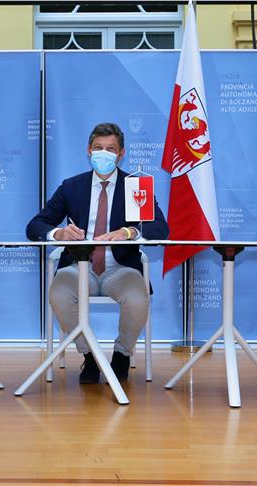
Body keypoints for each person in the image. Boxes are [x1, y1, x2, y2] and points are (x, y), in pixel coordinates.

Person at [27, 122, 169, 384]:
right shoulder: (72, 187)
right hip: (80, 267)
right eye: (98, 148)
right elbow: (35, 225)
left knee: (138, 300)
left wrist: (128, 233)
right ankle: (90, 357)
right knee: (59, 295)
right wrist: (58, 234)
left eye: (111, 149)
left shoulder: (135, 185)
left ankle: (121, 356)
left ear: (121, 153)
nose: (104, 154)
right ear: (89, 151)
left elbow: (160, 228)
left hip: (121, 268)